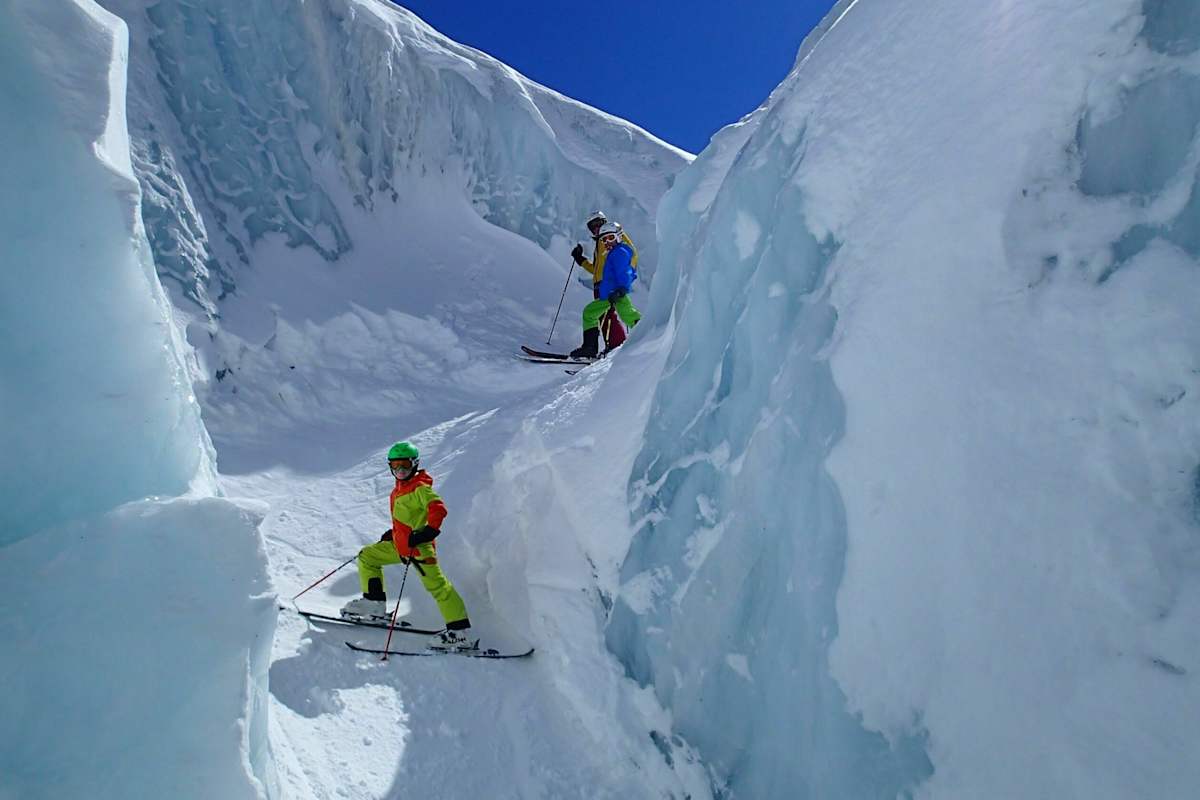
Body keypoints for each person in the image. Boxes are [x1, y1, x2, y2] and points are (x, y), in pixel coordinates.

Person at [340, 441, 476, 650]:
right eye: (395, 465)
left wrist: (428, 532)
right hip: (400, 546)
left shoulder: (420, 487)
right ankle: (374, 604)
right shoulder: (401, 488)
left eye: (404, 464)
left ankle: (459, 634)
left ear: (414, 464)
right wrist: (394, 534)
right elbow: (408, 517)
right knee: (368, 556)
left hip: (419, 549)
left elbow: (437, 508)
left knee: (439, 587)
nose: (400, 470)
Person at [570, 222, 641, 359]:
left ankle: (649, 335)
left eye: (610, 238)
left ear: (618, 237)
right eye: (604, 239)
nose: (607, 242)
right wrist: (581, 260)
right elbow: (598, 270)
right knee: (590, 313)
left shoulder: (620, 252)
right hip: (608, 294)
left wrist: (621, 289)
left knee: (627, 315)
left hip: (616, 293)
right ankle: (589, 348)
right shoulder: (611, 253)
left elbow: (625, 271)